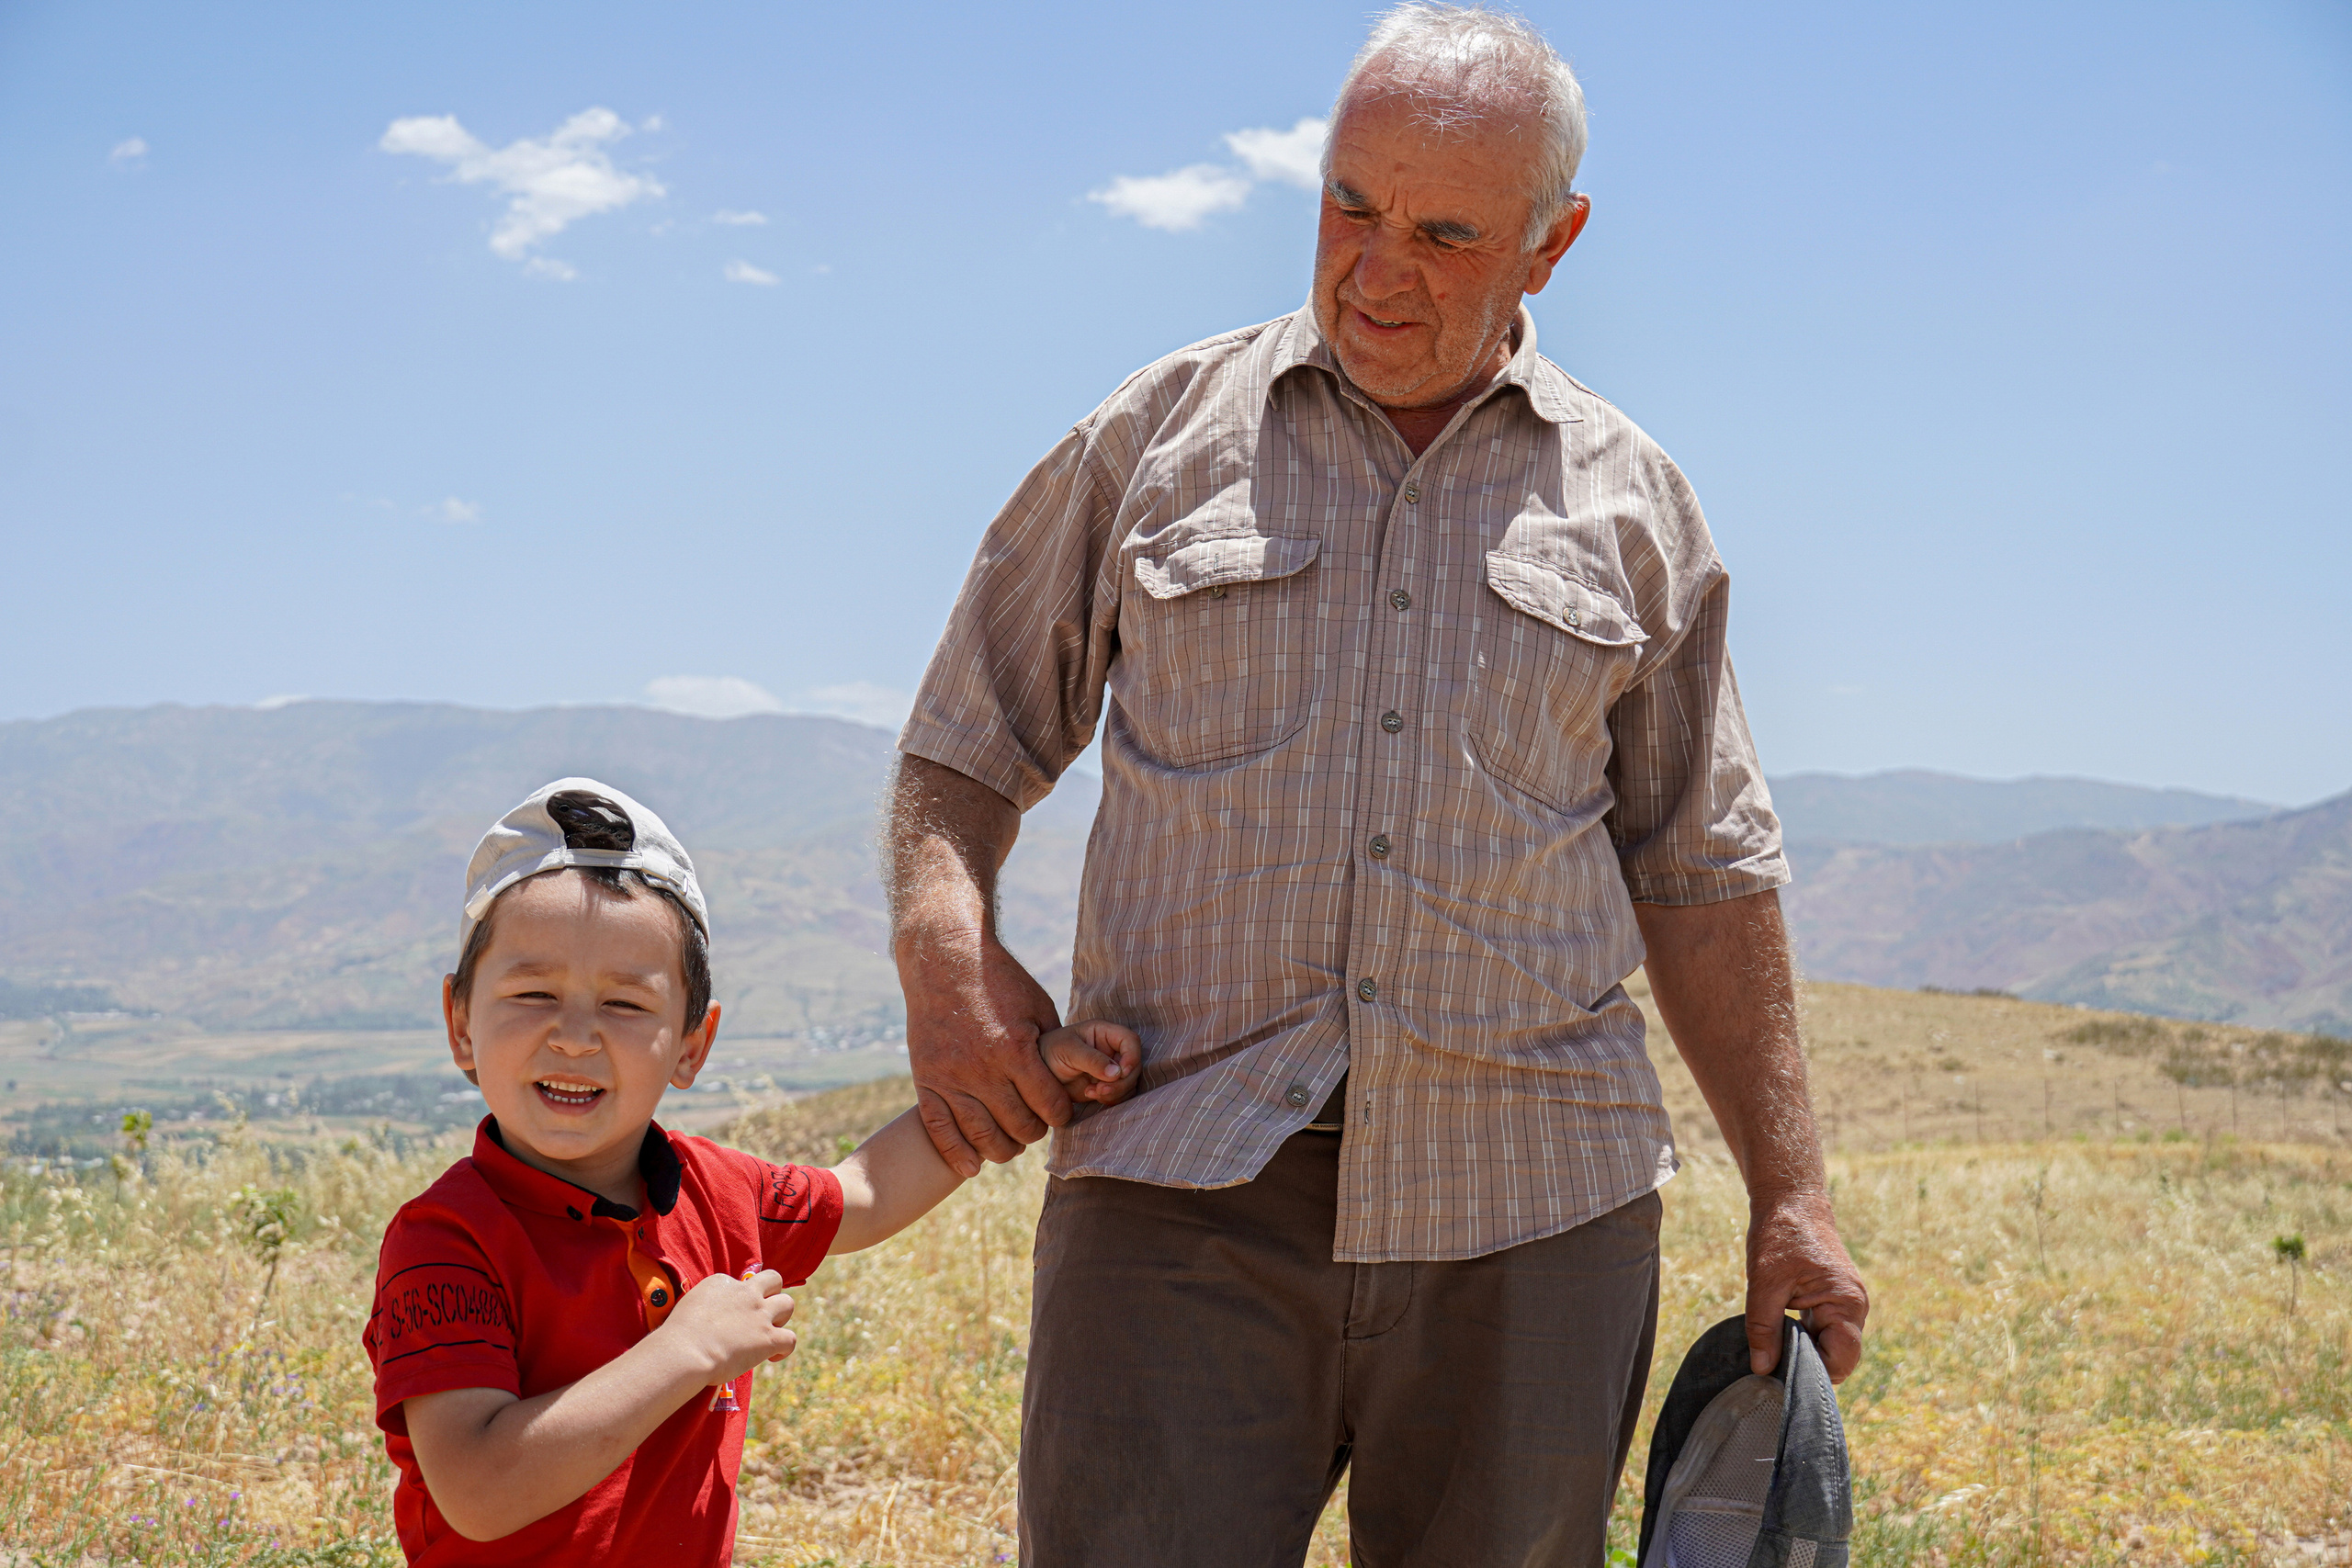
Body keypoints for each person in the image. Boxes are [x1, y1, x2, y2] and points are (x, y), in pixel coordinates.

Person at [883, 5, 1871, 1563]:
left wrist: (1789, 1190)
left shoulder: (1637, 506)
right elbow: (964, 741)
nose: (1373, 265)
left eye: (1443, 231)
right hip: (1180, 1184)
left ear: (1553, 245)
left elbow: (1704, 871)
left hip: (1535, 1211)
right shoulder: (1150, 441)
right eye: (1348, 202)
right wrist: (950, 960)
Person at [363, 778, 1136, 1565]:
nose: (574, 1035)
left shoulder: (719, 1191)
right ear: (461, 1023)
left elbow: (863, 1194)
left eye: (626, 1005)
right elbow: (479, 1492)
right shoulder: (447, 1239)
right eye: (534, 992)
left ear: (693, 1043)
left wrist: (1027, 1076)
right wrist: (683, 1351)